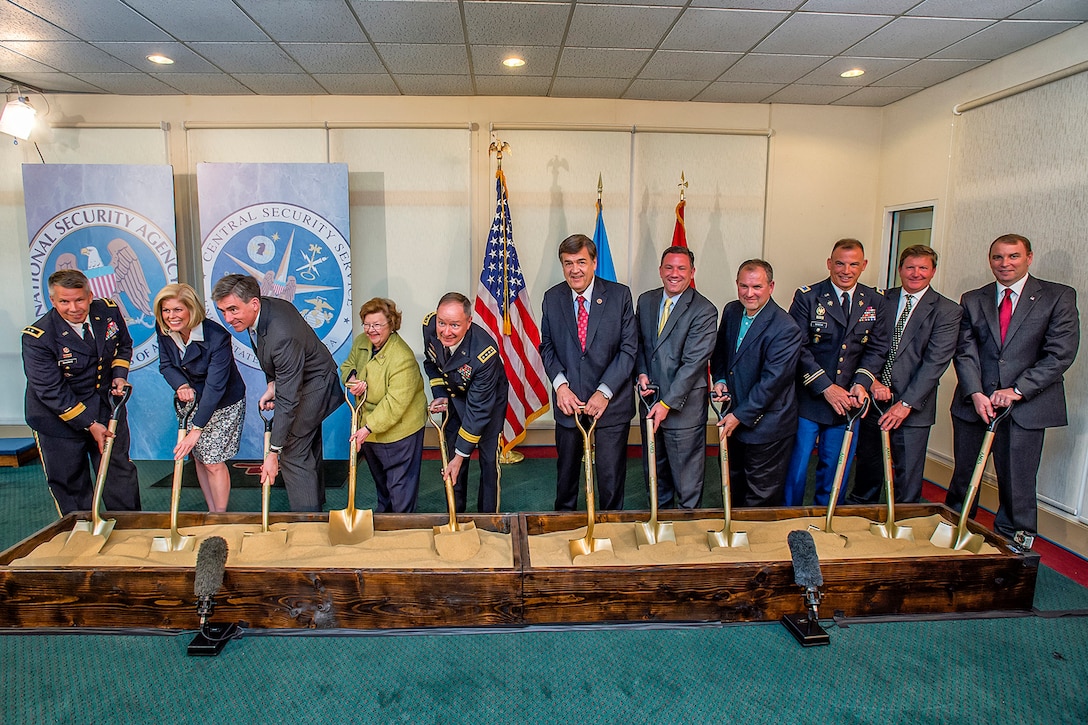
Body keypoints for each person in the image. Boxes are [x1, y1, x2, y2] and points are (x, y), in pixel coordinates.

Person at [946, 234, 1079, 540]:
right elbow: (965, 351)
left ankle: (1015, 547)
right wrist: (976, 392)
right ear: (990, 260)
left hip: (1026, 407)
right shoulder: (973, 298)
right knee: (965, 477)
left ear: (1029, 257)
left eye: (1013, 257)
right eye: (998, 257)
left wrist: (1017, 390)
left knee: (1017, 483)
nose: (1005, 264)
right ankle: (955, 535)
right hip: (975, 406)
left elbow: (1060, 354)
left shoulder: (1057, 296)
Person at [211, 273, 342, 512]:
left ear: (254, 303)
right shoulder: (262, 312)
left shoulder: (282, 335)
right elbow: (273, 362)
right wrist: (272, 384)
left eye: (232, 310)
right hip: (299, 379)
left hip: (316, 385)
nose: (228, 319)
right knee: (304, 445)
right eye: (223, 311)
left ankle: (306, 524)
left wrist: (273, 451)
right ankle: (315, 512)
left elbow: (288, 400)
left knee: (291, 451)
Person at [22, 269, 140, 515]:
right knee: (70, 481)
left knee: (118, 473)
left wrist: (119, 376)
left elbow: (123, 346)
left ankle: (132, 530)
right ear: (53, 301)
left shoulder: (107, 311)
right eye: (64, 301)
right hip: (58, 418)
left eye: (79, 300)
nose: (74, 308)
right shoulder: (39, 337)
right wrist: (90, 424)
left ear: (90, 295)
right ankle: (83, 536)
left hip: (107, 408)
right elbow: (51, 390)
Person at [849, 246, 961, 505]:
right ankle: (859, 517)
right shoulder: (879, 300)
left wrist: (905, 404)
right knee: (868, 468)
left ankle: (899, 525)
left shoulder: (947, 311)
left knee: (907, 477)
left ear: (933, 271)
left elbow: (935, 363)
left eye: (923, 268)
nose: (916, 273)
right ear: (900, 269)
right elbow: (861, 346)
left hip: (913, 407)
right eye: (910, 267)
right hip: (872, 399)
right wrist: (872, 381)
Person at [783, 238, 890, 506]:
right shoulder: (808, 296)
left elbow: (877, 348)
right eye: (840, 263)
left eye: (854, 264)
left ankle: (826, 521)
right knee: (795, 469)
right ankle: (785, 520)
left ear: (863, 266)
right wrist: (826, 388)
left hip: (848, 404)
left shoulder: (875, 300)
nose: (846, 270)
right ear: (829, 264)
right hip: (808, 399)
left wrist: (861, 384)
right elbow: (798, 348)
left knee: (835, 470)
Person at [539, 233, 636, 511]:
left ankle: (610, 531)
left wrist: (604, 392)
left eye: (581, 261)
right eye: (568, 263)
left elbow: (628, 350)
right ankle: (564, 528)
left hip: (611, 404)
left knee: (610, 479)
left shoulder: (619, 296)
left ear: (594, 262)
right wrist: (560, 386)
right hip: (569, 403)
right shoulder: (552, 298)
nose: (575, 269)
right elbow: (547, 347)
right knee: (566, 478)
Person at [710, 259, 803, 507]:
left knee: (760, 495)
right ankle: (736, 538)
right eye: (744, 286)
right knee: (732, 483)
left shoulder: (785, 327)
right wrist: (719, 380)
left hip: (767, 426)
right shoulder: (731, 310)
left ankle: (758, 544)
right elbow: (720, 352)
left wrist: (739, 415)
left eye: (757, 287)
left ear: (771, 287)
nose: (749, 293)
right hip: (734, 420)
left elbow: (772, 382)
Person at [635, 246, 717, 509]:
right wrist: (641, 372)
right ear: (660, 270)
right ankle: (660, 529)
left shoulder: (705, 310)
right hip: (650, 402)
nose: (674, 274)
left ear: (692, 272)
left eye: (682, 268)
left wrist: (667, 403)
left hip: (683, 409)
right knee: (655, 474)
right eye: (669, 267)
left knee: (686, 482)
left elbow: (693, 364)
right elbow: (638, 344)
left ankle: (686, 536)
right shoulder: (646, 301)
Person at [154, 283, 246, 513]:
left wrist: (196, 430)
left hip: (223, 403)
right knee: (200, 458)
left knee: (213, 462)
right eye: (166, 310)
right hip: (192, 400)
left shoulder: (217, 337)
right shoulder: (164, 329)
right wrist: (181, 384)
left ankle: (220, 516)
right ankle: (211, 509)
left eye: (177, 310)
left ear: (191, 309)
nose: (171, 316)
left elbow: (215, 387)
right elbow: (166, 365)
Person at [422, 292, 508, 513]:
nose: (446, 331)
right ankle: (456, 516)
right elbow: (432, 363)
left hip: (487, 404)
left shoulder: (484, 354)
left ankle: (489, 519)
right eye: (442, 323)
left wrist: (462, 455)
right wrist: (440, 393)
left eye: (454, 325)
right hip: (454, 398)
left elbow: (478, 410)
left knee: (488, 463)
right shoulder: (430, 327)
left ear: (469, 322)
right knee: (452, 461)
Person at [343, 297, 427, 513]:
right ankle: (385, 520)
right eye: (367, 324)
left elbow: (394, 404)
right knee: (381, 482)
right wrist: (352, 378)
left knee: (400, 485)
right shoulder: (362, 342)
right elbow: (348, 365)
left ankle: (402, 529)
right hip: (369, 427)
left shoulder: (402, 358)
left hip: (400, 429)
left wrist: (367, 428)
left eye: (377, 325)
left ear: (391, 324)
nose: (371, 330)